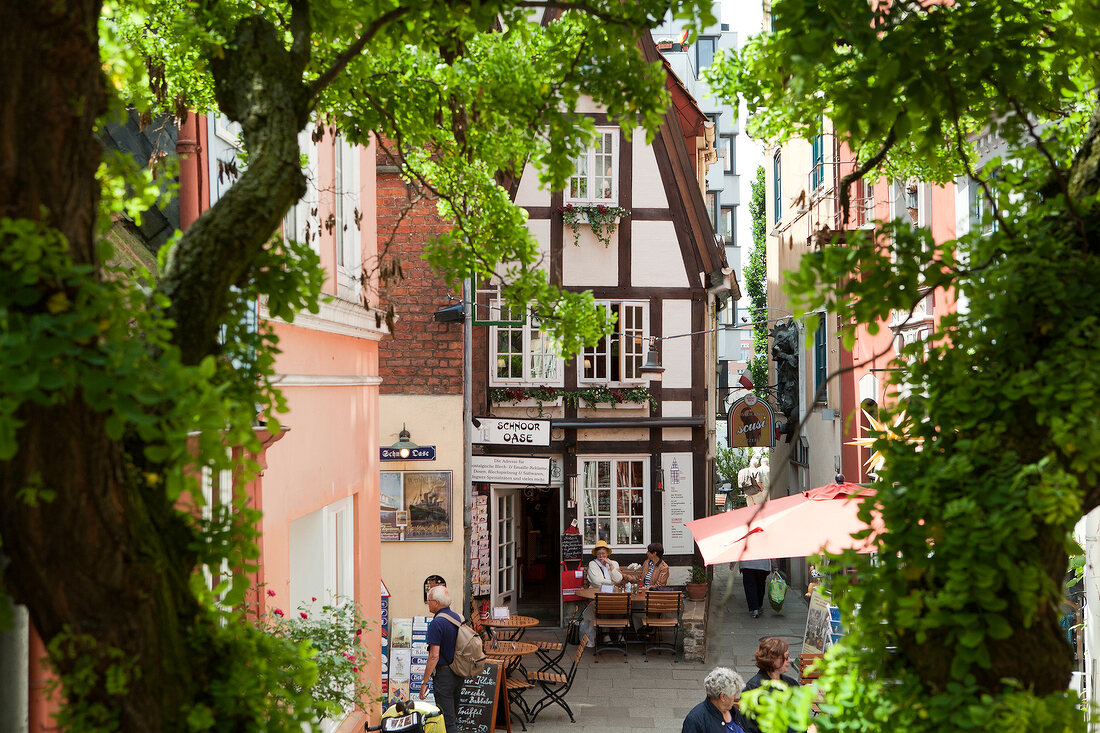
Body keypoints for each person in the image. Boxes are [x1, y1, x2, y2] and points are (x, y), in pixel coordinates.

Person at [421, 585, 461, 733]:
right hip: (458, 673)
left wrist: (424, 682)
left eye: (429, 600)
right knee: (453, 716)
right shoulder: (457, 617)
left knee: (447, 721)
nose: (428, 603)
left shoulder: (437, 623)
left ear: (436, 603)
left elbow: (434, 656)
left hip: (444, 676)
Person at [742, 637, 801, 733]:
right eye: (786, 657)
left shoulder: (792, 684)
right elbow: (750, 728)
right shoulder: (753, 689)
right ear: (773, 659)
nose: (789, 660)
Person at [682, 666, 751, 733]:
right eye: (734, 694)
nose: (735, 697)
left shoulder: (735, 712)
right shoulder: (695, 720)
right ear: (723, 697)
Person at [579, 540, 622, 647]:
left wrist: (611, 567)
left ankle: (620, 633)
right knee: (601, 606)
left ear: (607, 553)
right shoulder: (593, 564)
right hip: (597, 594)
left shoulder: (614, 563)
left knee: (621, 606)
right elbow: (595, 581)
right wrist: (611, 582)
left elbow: (619, 579)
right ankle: (606, 634)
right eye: (598, 554)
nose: (601, 556)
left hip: (614, 595)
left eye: (603, 553)